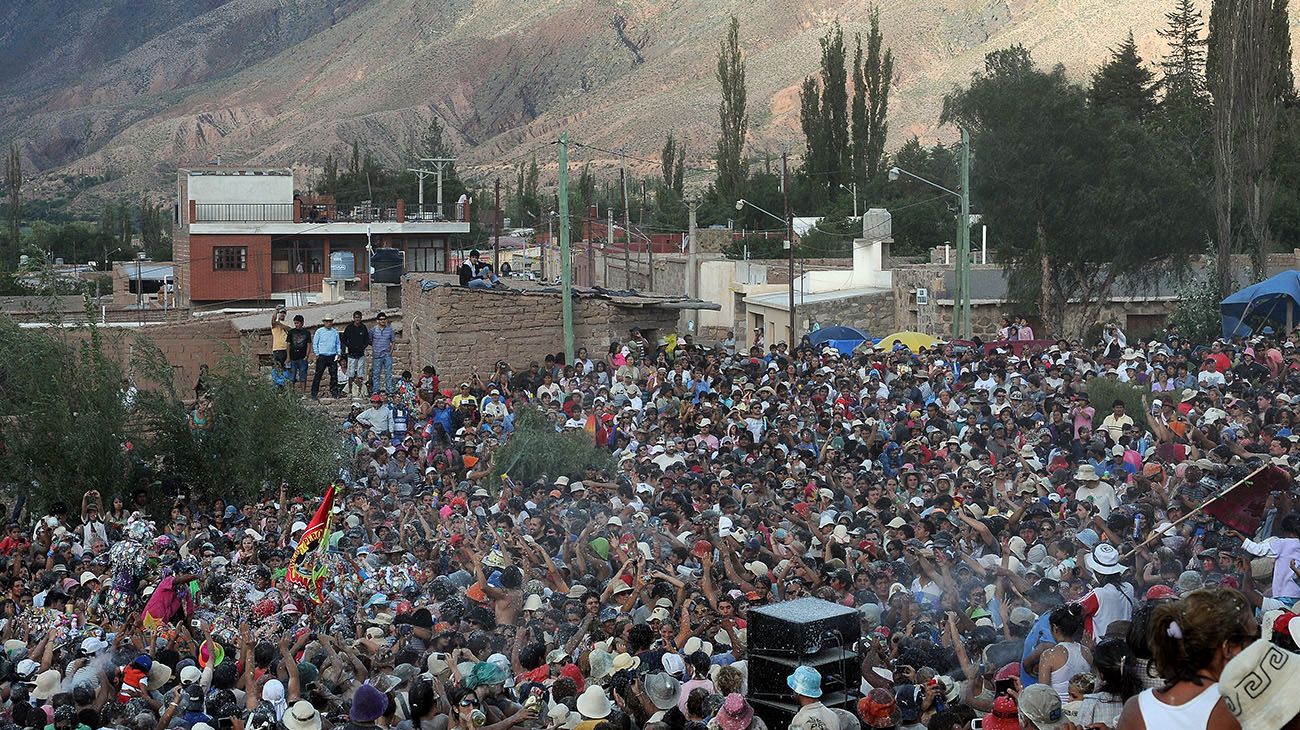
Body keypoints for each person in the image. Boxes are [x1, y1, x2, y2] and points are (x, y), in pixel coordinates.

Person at [1115, 587, 1257, 730]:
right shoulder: (1234, 709)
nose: (1259, 647)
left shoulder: (1136, 710)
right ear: (1228, 647)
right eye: (1254, 639)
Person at [341, 310, 372, 398]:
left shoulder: (363, 327)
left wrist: (363, 346)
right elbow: (343, 339)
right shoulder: (349, 328)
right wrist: (349, 346)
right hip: (351, 355)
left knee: (360, 373)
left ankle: (361, 391)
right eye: (356, 317)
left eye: (359, 317)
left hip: (360, 354)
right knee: (351, 374)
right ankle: (350, 391)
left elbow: (367, 339)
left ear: (361, 318)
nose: (357, 319)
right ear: (353, 318)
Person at [310, 314, 341, 398]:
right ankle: (314, 393)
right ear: (324, 322)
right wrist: (317, 353)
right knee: (318, 375)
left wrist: (338, 353)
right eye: (327, 321)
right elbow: (315, 343)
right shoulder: (319, 331)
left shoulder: (335, 332)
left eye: (330, 321)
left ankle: (334, 393)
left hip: (332, 356)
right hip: (322, 356)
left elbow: (338, 343)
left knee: (334, 376)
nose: (328, 323)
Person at [371, 311, 397, 396]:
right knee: (376, 374)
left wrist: (391, 352)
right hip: (377, 355)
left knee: (388, 373)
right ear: (377, 321)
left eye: (384, 319)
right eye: (381, 319)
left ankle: (389, 390)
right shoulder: (373, 330)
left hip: (387, 355)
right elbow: (370, 340)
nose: (382, 321)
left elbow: (393, 341)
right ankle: (376, 390)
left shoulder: (390, 330)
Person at [286, 313, 311, 388]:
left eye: (298, 323)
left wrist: (307, 356)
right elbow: (288, 344)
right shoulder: (291, 332)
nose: (296, 325)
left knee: (303, 377)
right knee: (291, 378)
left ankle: (303, 394)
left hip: (302, 358)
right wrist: (288, 357)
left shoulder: (306, 332)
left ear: (302, 323)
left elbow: (309, 344)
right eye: (295, 323)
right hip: (293, 358)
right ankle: (291, 395)